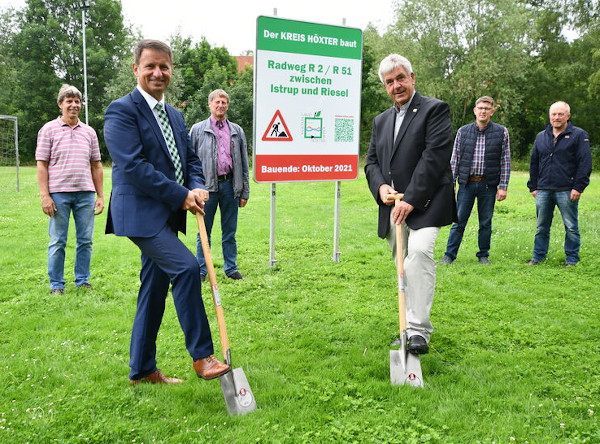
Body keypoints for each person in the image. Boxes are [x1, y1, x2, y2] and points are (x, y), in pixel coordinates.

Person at [103, 39, 230, 384]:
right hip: (140, 214)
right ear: (136, 69)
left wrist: (197, 185)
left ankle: (142, 370)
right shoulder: (121, 111)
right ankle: (203, 355)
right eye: (150, 66)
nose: (158, 73)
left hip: (166, 215)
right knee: (188, 268)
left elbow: (188, 159)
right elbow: (134, 166)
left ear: (171, 70)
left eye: (164, 67)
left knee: (154, 290)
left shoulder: (174, 115)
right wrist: (180, 196)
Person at [365, 54, 456, 354]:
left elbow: (435, 158)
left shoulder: (435, 110)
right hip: (393, 207)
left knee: (418, 254)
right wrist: (380, 186)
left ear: (412, 77)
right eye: (390, 82)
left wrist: (413, 200)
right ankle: (406, 326)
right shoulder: (381, 120)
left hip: (428, 202)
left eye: (400, 78)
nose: (396, 85)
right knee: (402, 266)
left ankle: (419, 331)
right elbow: (372, 162)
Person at [36, 84, 104, 295]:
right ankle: (56, 285)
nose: (74, 105)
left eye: (77, 101)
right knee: (58, 241)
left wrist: (100, 195)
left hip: (85, 193)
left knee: (86, 240)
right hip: (58, 195)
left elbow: (96, 165)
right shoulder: (48, 129)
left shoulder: (89, 132)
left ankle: (82, 280)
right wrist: (45, 195)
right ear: (60, 104)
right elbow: (42, 164)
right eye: (69, 101)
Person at [439, 96, 511, 265]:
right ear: (475, 110)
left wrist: (503, 187)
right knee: (458, 221)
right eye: (480, 108)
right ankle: (449, 255)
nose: (483, 111)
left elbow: (505, 160)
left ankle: (483, 255)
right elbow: (454, 159)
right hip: (467, 183)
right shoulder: (463, 132)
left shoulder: (501, 132)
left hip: (488, 185)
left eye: (487, 108)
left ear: (492, 111)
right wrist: (451, 184)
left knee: (485, 222)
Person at [189, 89, 249, 281]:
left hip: (231, 186)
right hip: (206, 189)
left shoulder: (236, 131)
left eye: (224, 102)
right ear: (210, 104)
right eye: (217, 102)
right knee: (203, 232)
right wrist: (192, 189)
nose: (220, 105)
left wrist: (244, 191)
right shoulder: (198, 130)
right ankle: (201, 270)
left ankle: (231, 268)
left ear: (227, 105)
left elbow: (244, 164)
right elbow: (189, 161)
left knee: (229, 231)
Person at [527, 101, 592, 266]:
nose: (556, 117)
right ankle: (538, 257)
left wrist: (578, 187)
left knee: (571, 227)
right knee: (541, 227)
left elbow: (585, 163)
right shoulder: (541, 136)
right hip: (543, 189)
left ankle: (571, 259)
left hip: (566, 189)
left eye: (560, 114)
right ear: (550, 116)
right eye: (553, 114)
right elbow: (534, 162)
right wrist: (533, 186)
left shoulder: (579, 135)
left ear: (568, 116)